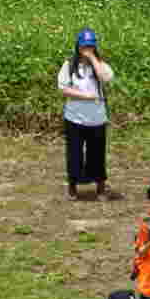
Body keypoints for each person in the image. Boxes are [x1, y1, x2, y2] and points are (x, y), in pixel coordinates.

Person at [55, 32, 115, 201]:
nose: (87, 49)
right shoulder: (69, 65)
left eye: (90, 46)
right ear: (78, 46)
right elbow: (63, 88)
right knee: (74, 154)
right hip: (74, 118)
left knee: (97, 153)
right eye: (84, 46)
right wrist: (85, 96)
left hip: (97, 119)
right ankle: (73, 188)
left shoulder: (100, 64)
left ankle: (101, 188)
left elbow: (106, 78)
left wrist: (94, 59)